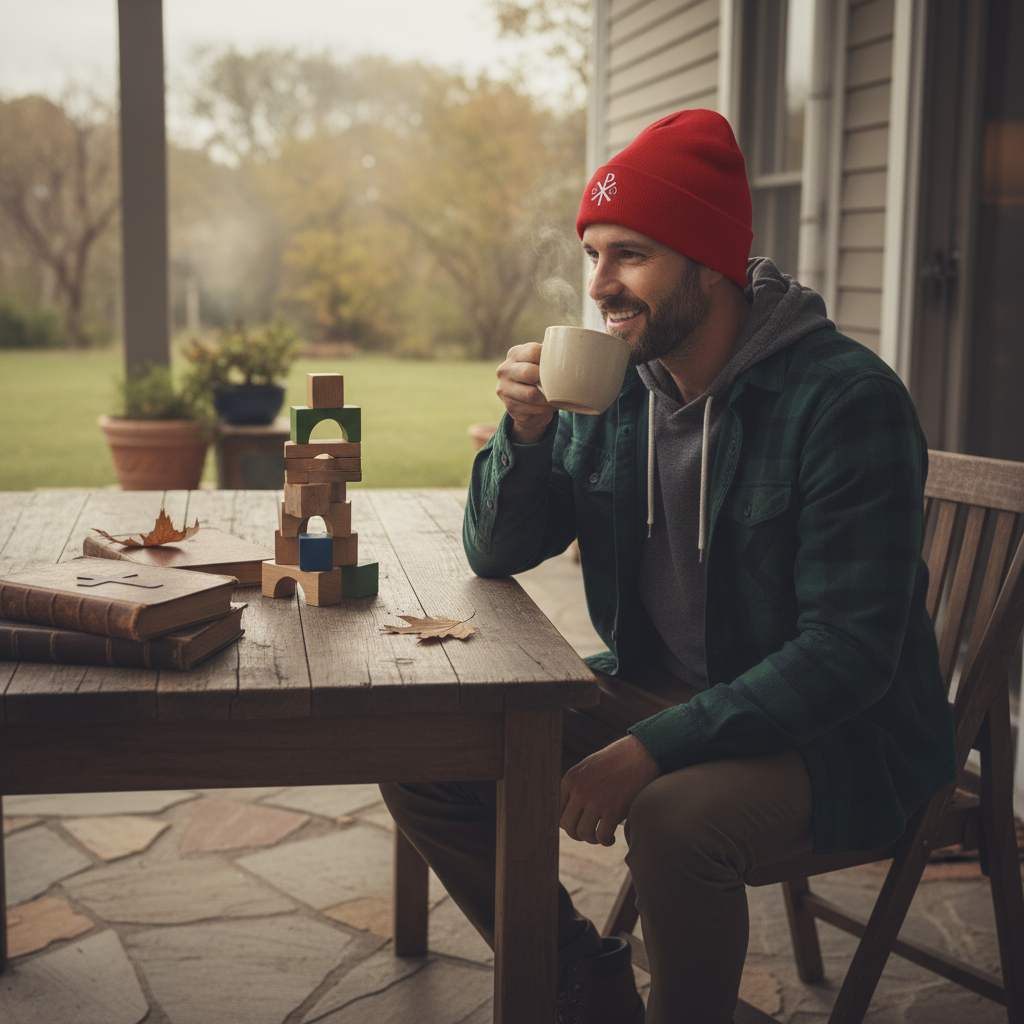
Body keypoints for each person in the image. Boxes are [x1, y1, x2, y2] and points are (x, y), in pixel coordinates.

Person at [380, 109, 957, 1024]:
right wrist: (526, 437)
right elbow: (495, 552)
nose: (601, 284)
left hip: (842, 736)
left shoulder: (845, 402)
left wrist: (652, 749)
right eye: (593, 253)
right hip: (667, 688)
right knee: (429, 751)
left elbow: (848, 653)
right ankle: (582, 980)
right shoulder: (617, 390)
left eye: (631, 255)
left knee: (672, 819)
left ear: (710, 259)